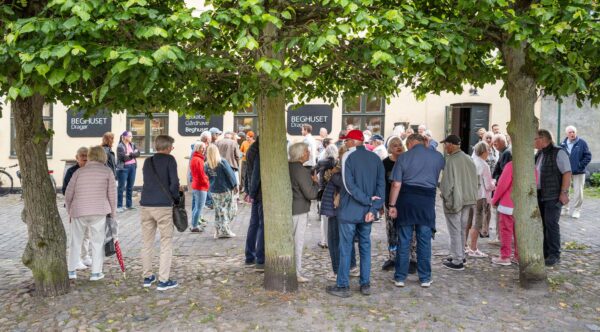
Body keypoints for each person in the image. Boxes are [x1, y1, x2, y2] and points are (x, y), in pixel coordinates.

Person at [326, 130, 385, 297]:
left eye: (347, 141)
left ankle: (343, 285)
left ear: (353, 141)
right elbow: (381, 187)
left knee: (345, 247)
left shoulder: (347, 157)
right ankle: (365, 284)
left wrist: (367, 200)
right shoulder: (375, 158)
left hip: (350, 210)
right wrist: (373, 207)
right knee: (365, 246)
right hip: (368, 211)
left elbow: (349, 186)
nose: (345, 143)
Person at [388, 134, 445, 288]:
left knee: (404, 239)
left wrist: (392, 205)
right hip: (426, 201)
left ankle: (400, 277)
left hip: (406, 201)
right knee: (424, 240)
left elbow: (396, 184)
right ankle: (425, 278)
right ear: (424, 142)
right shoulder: (438, 157)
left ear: (410, 143)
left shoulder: (404, 157)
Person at [65, 146, 116, 281]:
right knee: (97, 242)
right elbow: (112, 196)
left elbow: (68, 193)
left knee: (75, 241)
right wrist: (113, 214)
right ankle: (96, 273)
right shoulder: (107, 172)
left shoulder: (79, 172)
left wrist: (70, 210)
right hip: (99, 211)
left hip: (78, 210)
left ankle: (71, 271)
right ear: (103, 156)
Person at [139, 135, 180, 290]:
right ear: (168, 147)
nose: (172, 149)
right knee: (166, 242)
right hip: (163, 205)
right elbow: (174, 183)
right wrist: (175, 198)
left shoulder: (148, 161)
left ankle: (147, 276)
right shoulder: (170, 160)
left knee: (147, 242)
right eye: (172, 146)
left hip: (146, 204)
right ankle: (163, 280)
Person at [440, 135, 478, 271]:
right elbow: (475, 179)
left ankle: (457, 260)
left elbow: (446, 184)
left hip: (456, 199)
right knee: (461, 229)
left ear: (451, 145)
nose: (445, 147)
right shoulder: (468, 158)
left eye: (446, 144)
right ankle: (460, 255)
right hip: (468, 198)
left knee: (455, 230)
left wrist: (444, 196)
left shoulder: (451, 160)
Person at [535, 129, 571, 266]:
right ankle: (545, 252)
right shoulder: (540, 153)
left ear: (543, 139)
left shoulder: (558, 152)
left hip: (553, 195)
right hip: (540, 194)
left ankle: (554, 254)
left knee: (551, 224)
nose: (533, 141)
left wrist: (564, 192)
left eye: (535, 139)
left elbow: (567, 173)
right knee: (542, 225)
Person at [490, 162, 533, 266]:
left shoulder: (511, 165)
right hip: (524, 205)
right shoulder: (531, 166)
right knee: (520, 232)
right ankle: (518, 256)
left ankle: (505, 256)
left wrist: (494, 200)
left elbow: (502, 184)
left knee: (506, 231)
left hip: (508, 203)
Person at [288, 142, 320, 283]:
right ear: (301, 154)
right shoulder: (300, 170)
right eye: (307, 151)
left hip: (291, 208)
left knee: (292, 241)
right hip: (299, 210)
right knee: (297, 242)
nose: (309, 153)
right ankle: (296, 272)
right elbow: (311, 194)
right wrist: (316, 182)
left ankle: (293, 270)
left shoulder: (288, 166)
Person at [62, 147, 92, 268]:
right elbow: (65, 190)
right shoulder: (71, 172)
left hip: (90, 206)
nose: (85, 159)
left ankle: (85, 257)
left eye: (87, 157)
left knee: (87, 233)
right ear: (77, 158)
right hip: (76, 207)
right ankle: (75, 259)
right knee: (77, 234)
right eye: (82, 157)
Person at [381, 137, 406, 271]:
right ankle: (393, 257)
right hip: (389, 202)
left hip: (405, 201)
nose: (398, 147)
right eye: (395, 145)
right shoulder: (384, 163)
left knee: (407, 230)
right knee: (391, 230)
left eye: (400, 144)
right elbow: (381, 184)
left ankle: (408, 258)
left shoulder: (406, 161)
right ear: (390, 148)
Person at [467, 141, 496, 257]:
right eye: (488, 150)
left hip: (470, 195)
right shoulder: (484, 165)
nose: (489, 153)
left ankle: (466, 246)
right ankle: (473, 248)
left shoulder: (471, 161)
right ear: (483, 152)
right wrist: (495, 183)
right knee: (477, 223)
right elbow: (488, 185)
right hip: (481, 196)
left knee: (468, 221)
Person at [205, 144, 238, 238]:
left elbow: (207, 177)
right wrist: (234, 186)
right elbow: (230, 174)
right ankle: (225, 230)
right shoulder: (222, 162)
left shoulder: (207, 164)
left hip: (214, 190)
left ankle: (217, 230)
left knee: (218, 211)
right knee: (228, 210)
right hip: (224, 189)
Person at [560, 126, 592, 219]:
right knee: (565, 190)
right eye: (570, 132)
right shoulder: (562, 145)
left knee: (578, 192)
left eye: (573, 132)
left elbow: (588, 156)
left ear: (576, 133)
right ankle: (565, 208)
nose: (572, 134)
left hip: (579, 172)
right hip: (566, 172)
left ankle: (577, 210)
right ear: (567, 134)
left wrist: (579, 166)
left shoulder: (582, 143)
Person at [245, 136, 265, 271]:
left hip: (255, 192)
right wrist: (251, 193)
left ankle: (249, 256)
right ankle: (260, 259)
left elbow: (248, 173)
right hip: (260, 192)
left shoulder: (252, 149)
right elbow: (256, 174)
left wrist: (248, 191)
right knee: (262, 225)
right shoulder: (260, 151)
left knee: (254, 224)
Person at [315, 144, 338, 249]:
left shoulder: (321, 162)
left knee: (324, 219)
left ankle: (324, 241)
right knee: (334, 217)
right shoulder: (337, 163)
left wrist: (316, 182)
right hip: (335, 192)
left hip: (323, 191)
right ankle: (333, 240)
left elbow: (312, 171)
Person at [116, 131, 140, 212]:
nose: (131, 137)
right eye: (130, 136)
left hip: (133, 167)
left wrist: (130, 155)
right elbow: (123, 159)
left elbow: (138, 153)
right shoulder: (120, 146)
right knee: (121, 187)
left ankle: (129, 205)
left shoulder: (132, 144)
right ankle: (119, 206)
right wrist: (133, 155)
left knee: (130, 187)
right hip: (123, 168)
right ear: (125, 137)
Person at [190, 142, 210, 233]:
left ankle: (194, 224)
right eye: (202, 148)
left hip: (196, 185)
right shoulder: (198, 159)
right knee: (199, 207)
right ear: (198, 148)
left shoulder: (195, 158)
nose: (204, 149)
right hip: (200, 186)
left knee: (196, 207)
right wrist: (207, 181)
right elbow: (201, 174)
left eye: (204, 148)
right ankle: (194, 226)